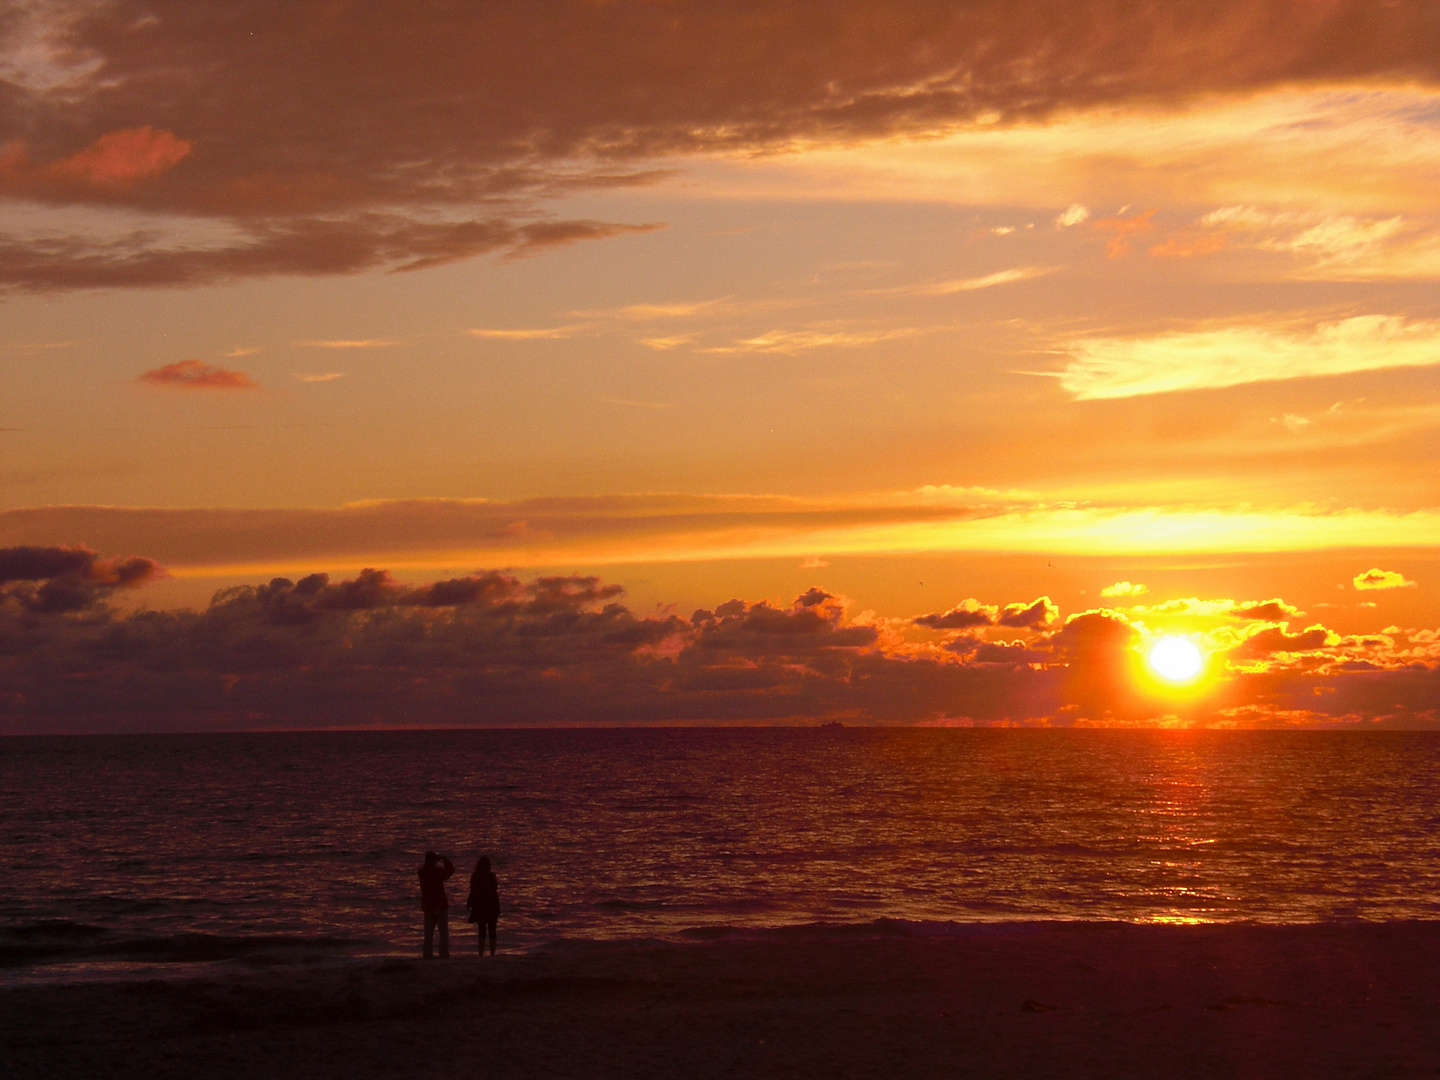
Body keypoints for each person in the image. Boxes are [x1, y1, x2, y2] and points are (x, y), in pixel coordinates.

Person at [417, 850, 454, 958]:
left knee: (428, 934)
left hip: (428, 906)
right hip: (440, 905)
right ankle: (443, 953)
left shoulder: (421, 872)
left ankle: (427, 954)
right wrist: (445, 859)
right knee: (443, 933)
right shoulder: (437, 872)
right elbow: (450, 870)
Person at [466, 855, 500, 955]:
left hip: (480, 906)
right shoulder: (491, 876)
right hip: (492, 905)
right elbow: (494, 891)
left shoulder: (475, 876)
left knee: (482, 930)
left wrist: (469, 902)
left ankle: (481, 953)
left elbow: (473, 891)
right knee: (492, 930)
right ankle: (492, 953)